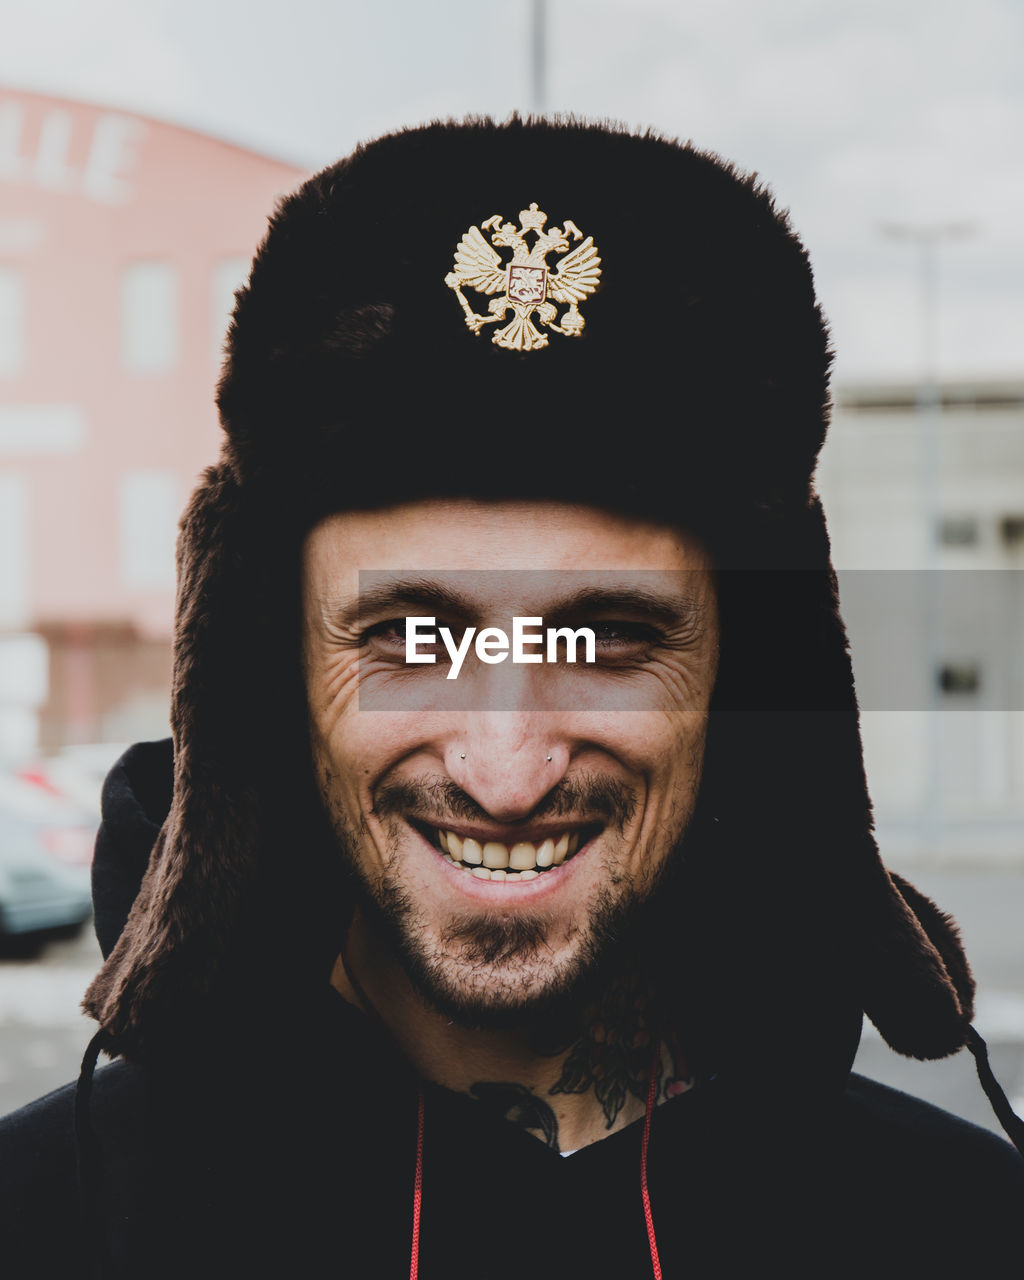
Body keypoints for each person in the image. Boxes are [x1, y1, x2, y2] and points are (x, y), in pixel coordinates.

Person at [2, 116, 1022, 1279]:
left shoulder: (963, 1229)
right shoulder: (51, 1225)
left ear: (739, 675)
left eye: (604, 635)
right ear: (272, 668)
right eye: (410, 633)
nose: (505, 765)